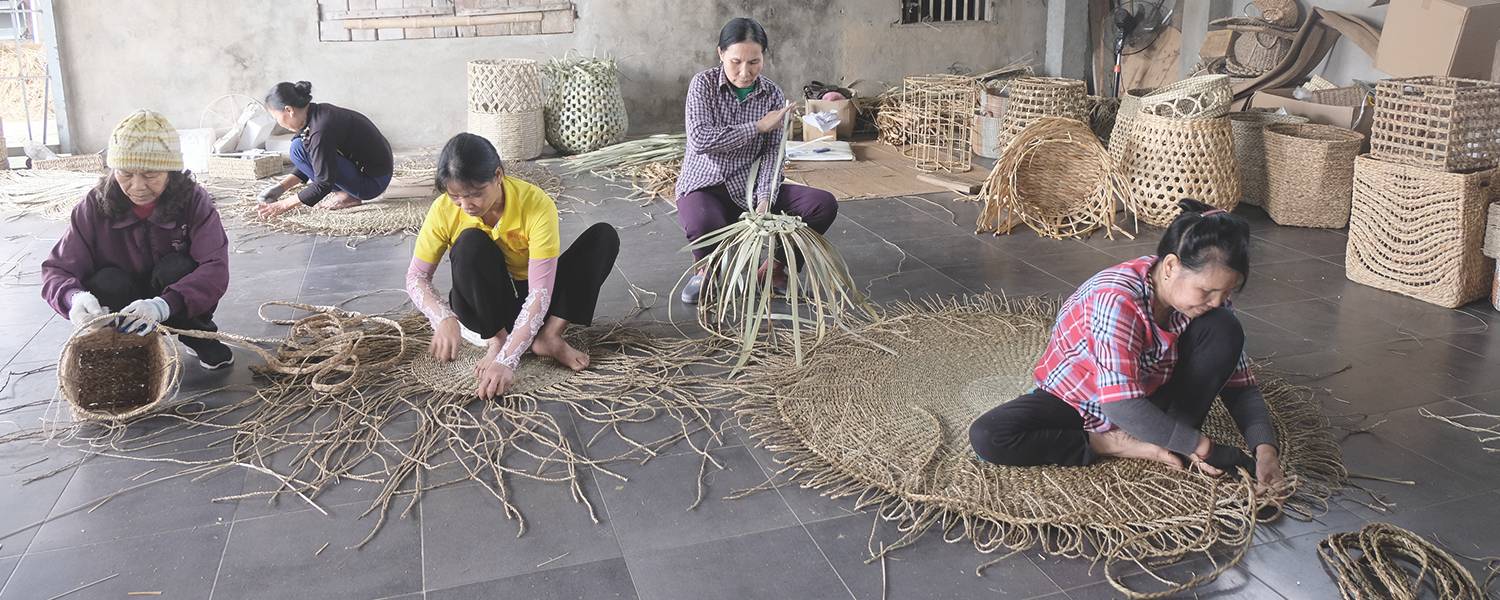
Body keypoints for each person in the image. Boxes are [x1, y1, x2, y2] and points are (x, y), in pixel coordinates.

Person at [969, 200, 1285, 489]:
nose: (1217, 301)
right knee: (989, 437)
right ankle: (1113, 443)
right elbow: (1118, 404)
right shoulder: (1116, 298)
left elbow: (1240, 387)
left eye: (1225, 293)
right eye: (1207, 291)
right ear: (1171, 267)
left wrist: (1265, 451)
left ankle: (1172, 437)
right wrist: (1205, 448)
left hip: (1148, 395)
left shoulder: (1209, 302)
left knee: (1224, 329)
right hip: (1081, 400)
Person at [404, 133, 620, 400]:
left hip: (532, 302)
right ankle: (497, 339)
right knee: (470, 242)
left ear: (498, 175)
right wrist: (442, 318)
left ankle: (549, 337)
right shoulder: (443, 211)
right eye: (455, 197)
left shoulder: (536, 204)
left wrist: (508, 361)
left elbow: (540, 292)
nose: (466, 205)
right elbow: (417, 277)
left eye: (474, 194)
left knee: (603, 237)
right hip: (482, 308)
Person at [41, 110, 235, 370]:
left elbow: (215, 267)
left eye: (151, 175)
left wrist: (164, 305)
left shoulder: (193, 201)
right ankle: (123, 342)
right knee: (106, 280)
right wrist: (72, 298)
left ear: (170, 171)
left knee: (178, 268)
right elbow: (58, 269)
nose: (137, 186)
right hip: (121, 302)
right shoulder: (93, 206)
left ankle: (195, 333)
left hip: (173, 299)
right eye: (126, 173)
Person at [675, 17, 839, 305]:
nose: (744, 72)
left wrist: (765, 198)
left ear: (764, 56)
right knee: (703, 221)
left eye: (754, 62)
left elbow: (773, 156)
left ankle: (773, 271)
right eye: (736, 61)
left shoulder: (772, 94)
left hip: (750, 190)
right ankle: (706, 272)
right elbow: (701, 140)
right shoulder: (703, 85)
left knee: (822, 205)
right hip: (706, 185)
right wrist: (758, 127)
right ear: (721, 54)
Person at [256, 81, 394, 216]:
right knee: (298, 147)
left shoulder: (320, 130)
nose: (278, 122)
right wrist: (281, 187)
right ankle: (347, 191)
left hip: (372, 183)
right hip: (373, 172)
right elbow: (316, 157)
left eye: (276, 117)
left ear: (289, 110)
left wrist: (282, 205)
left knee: (298, 149)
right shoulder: (317, 114)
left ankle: (347, 196)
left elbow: (324, 183)